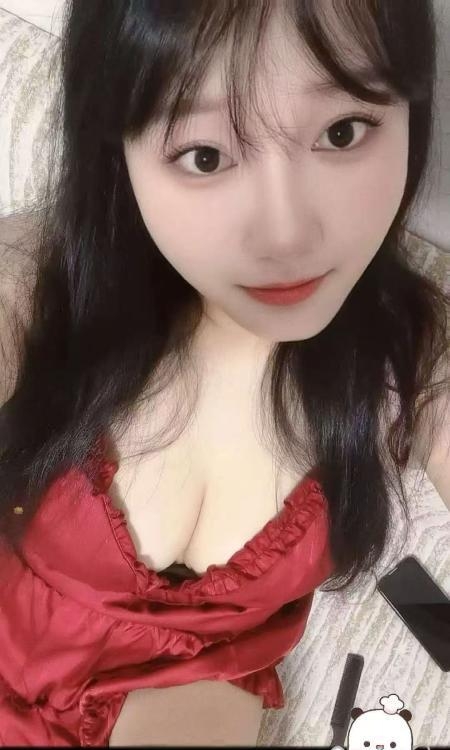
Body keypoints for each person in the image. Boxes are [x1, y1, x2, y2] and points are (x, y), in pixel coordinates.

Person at [0, 0, 448, 746]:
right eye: (204, 156)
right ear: (117, 151)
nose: (287, 233)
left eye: (343, 131)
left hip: (198, 678)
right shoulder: (49, 274)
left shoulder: (413, 346)